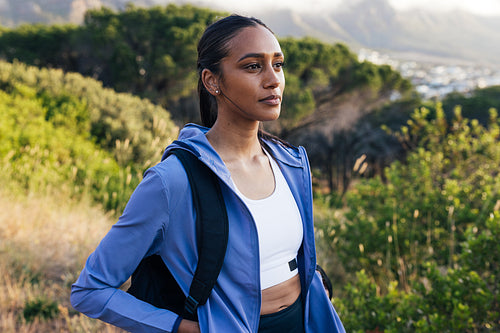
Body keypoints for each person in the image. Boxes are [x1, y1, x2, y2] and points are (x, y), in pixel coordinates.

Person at [70, 14, 345, 333]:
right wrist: (186, 328)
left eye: (278, 64)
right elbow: (89, 291)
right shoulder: (172, 181)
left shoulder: (290, 162)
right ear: (212, 81)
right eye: (253, 66)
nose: (273, 80)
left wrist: (316, 286)